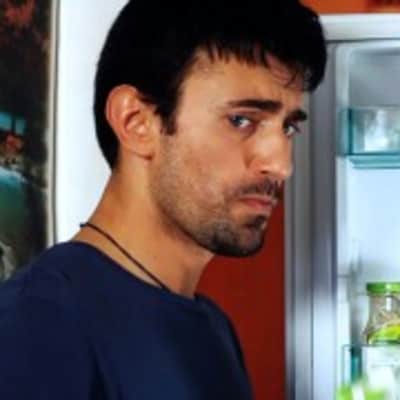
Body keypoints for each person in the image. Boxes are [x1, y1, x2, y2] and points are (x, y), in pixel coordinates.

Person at [0, 0, 326, 399]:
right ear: (136, 123)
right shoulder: (35, 325)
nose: (281, 164)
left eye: (288, 128)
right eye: (242, 120)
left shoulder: (215, 329)